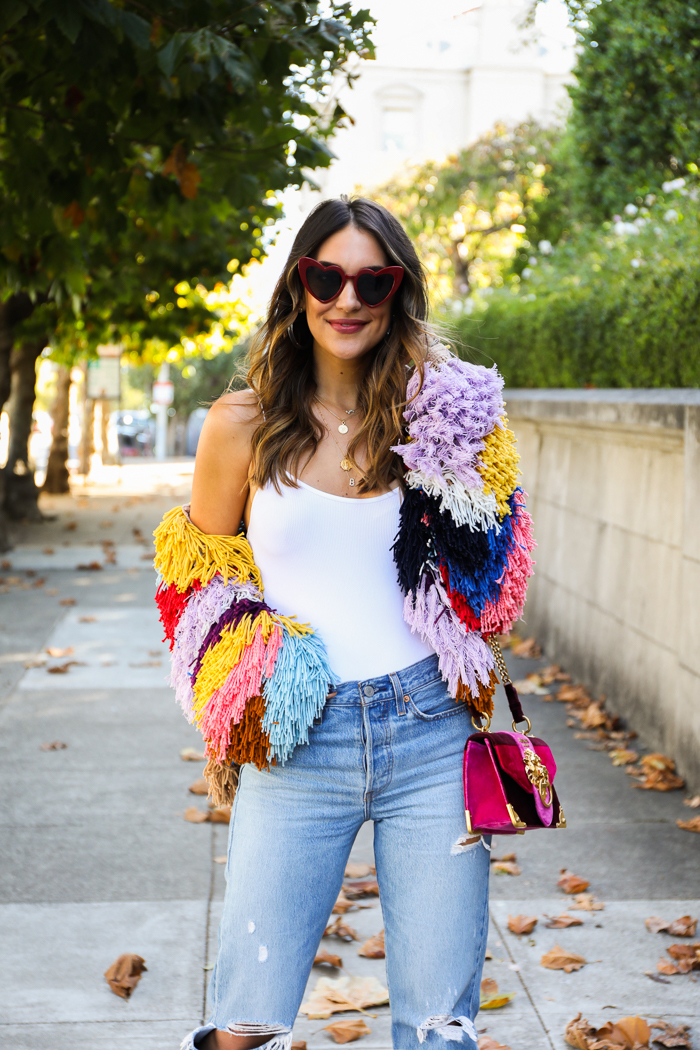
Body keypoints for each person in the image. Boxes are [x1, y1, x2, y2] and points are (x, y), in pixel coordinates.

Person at [153, 196, 535, 1050]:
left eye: (373, 279)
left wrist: (471, 635)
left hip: (434, 732)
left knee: (440, 1028)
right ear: (299, 284)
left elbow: (497, 561)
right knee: (244, 1023)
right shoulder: (240, 424)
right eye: (326, 276)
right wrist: (252, 682)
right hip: (297, 737)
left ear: (399, 291)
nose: (348, 298)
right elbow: (196, 583)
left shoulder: (447, 421)